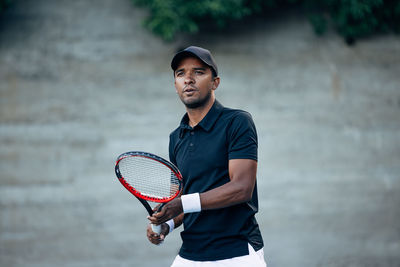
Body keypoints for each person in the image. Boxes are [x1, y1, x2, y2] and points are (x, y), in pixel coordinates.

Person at [147, 46, 266, 266]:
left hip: (237, 252)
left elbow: (242, 188)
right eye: (181, 73)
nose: (188, 79)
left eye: (198, 72)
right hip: (189, 255)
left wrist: (181, 203)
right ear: (175, 85)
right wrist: (167, 225)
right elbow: (182, 201)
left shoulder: (237, 122)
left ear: (215, 82)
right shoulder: (176, 137)